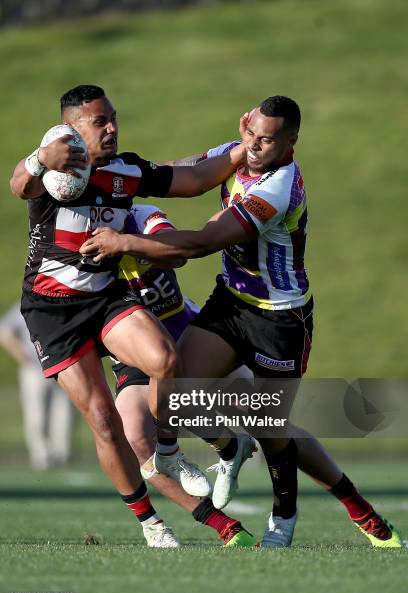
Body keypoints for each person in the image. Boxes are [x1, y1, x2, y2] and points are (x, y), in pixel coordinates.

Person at [80, 95, 403, 548]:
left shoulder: (278, 188)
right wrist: (113, 177)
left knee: (273, 428)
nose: (253, 146)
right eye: (250, 133)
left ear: (291, 141)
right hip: (230, 302)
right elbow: (181, 171)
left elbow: (199, 244)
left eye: (266, 140)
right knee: (170, 394)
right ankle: (225, 449)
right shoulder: (234, 151)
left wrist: (123, 241)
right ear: (243, 123)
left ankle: (312, 518)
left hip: (279, 316)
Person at [9, 84, 254, 547]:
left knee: (164, 360)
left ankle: (167, 451)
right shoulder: (54, 170)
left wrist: (247, 148)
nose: (112, 128)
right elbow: (19, 184)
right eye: (99, 121)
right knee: (103, 419)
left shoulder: (127, 170)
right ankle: (150, 522)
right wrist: (40, 158)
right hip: (51, 311)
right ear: (72, 128)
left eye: (113, 118)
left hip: (105, 297)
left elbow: (196, 180)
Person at [109, 201, 256, 547]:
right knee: (135, 432)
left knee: (263, 413)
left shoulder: (141, 214)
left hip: (184, 331)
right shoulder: (73, 235)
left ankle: (296, 507)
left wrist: (123, 242)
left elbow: (175, 251)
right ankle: (219, 522)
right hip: (130, 348)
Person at [0, 302, 74, 469]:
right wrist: (20, 353)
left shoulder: (59, 303)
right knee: (36, 412)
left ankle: (62, 453)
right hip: (34, 368)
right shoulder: (23, 306)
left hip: (62, 365)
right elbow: (4, 330)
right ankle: (42, 455)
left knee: (65, 411)